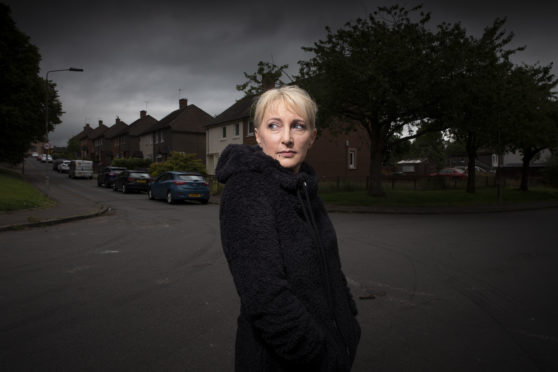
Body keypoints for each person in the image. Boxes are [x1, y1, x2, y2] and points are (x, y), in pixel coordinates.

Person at [216, 85, 360, 371]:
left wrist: (349, 322)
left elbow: (330, 267)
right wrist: (319, 357)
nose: (286, 138)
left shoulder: (305, 189)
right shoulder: (247, 190)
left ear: (312, 137)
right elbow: (265, 296)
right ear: (257, 136)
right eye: (274, 126)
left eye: (298, 126)